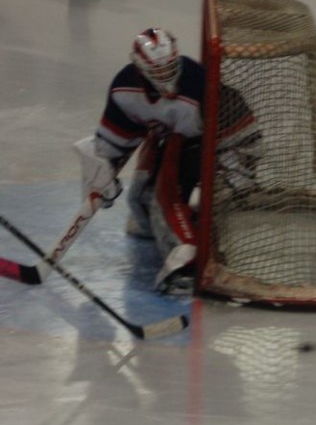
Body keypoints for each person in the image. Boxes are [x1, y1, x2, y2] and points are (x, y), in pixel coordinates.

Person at [76, 27, 261, 294]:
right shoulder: (124, 89)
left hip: (218, 150)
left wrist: (234, 179)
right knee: (141, 203)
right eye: (157, 70)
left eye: (170, 66)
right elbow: (115, 140)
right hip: (173, 140)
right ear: (140, 67)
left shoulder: (199, 83)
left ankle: (187, 264)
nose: (166, 75)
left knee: (165, 199)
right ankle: (175, 224)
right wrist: (101, 175)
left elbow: (244, 137)